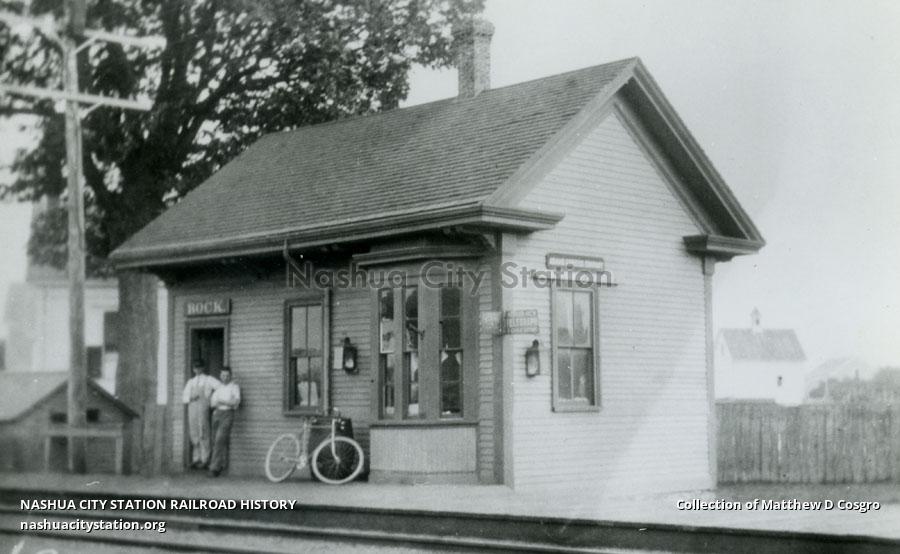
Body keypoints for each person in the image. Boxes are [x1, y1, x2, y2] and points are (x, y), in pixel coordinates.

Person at [182, 362, 220, 469]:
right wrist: (190, 397)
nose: (197, 370)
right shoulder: (191, 382)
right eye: (195, 368)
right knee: (194, 432)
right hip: (192, 408)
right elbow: (184, 397)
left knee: (203, 431)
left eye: (199, 367)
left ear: (203, 368)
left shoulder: (208, 379)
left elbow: (220, 388)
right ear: (193, 369)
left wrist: (212, 400)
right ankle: (196, 459)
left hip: (203, 407)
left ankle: (205, 459)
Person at [208, 367, 241, 477]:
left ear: (231, 376)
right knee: (215, 440)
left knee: (219, 439)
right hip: (217, 414)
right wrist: (226, 402)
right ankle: (221, 464)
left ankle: (214, 468)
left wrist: (222, 401)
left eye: (227, 375)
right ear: (220, 376)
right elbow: (212, 403)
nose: (225, 378)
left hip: (228, 414)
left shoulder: (234, 387)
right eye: (223, 375)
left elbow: (235, 403)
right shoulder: (218, 388)